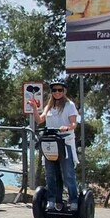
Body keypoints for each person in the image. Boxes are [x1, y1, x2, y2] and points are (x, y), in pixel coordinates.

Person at [28, 80, 79, 211]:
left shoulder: (69, 105)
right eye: (54, 90)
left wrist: (66, 127)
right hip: (50, 143)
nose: (57, 92)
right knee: (50, 174)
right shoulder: (49, 107)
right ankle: (52, 200)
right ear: (51, 92)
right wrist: (34, 108)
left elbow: (74, 124)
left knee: (68, 173)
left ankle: (73, 200)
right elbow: (40, 120)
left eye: (60, 90)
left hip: (65, 142)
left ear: (64, 91)